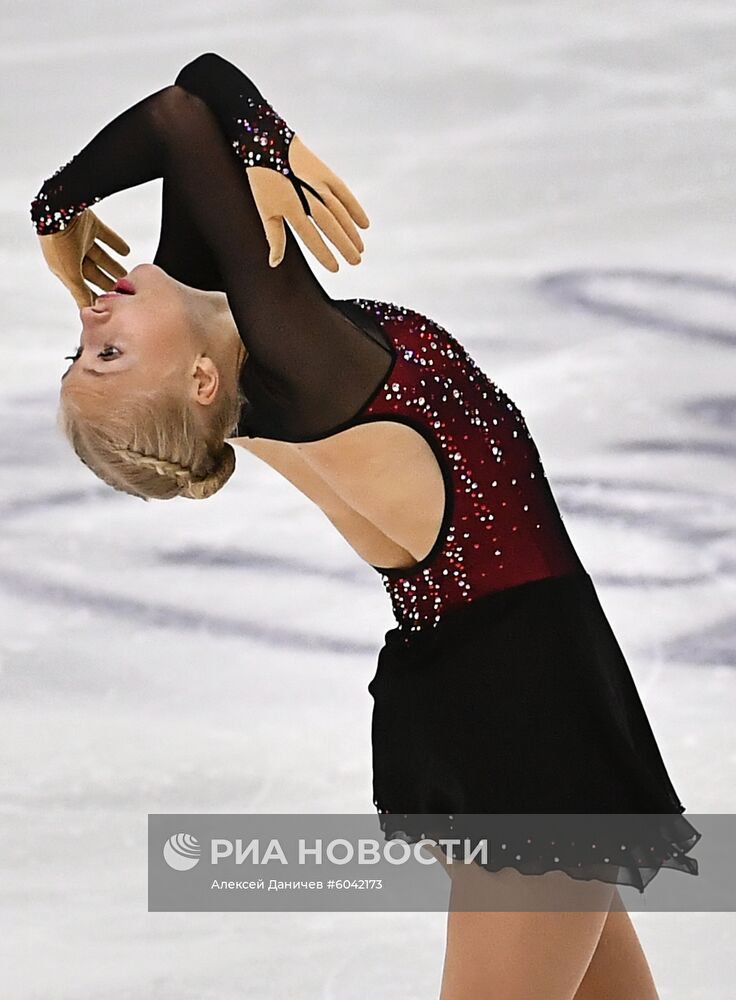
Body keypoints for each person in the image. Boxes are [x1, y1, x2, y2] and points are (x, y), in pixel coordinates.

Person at [31, 51, 700, 1000]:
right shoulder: (303, 368)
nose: (94, 316)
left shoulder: (232, 340)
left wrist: (66, 208)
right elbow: (193, 114)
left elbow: (185, 112)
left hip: (494, 693)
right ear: (197, 384)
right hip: (528, 714)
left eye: (83, 346)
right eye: (105, 355)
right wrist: (269, 147)